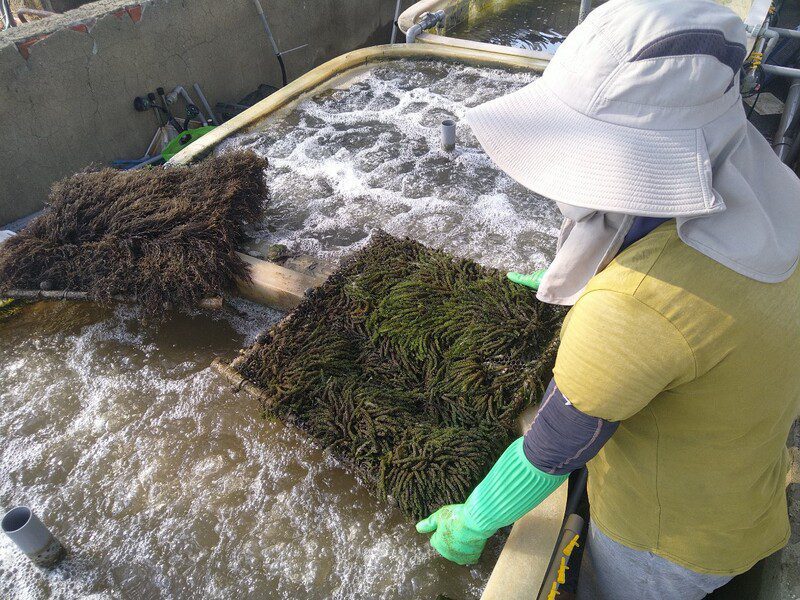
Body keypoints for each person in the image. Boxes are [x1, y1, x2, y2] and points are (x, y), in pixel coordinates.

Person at [414, 1, 800, 598]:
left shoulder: (633, 308)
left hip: (666, 546)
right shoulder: (779, 193)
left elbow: (553, 447)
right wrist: (574, 276)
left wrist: (474, 519)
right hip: (747, 487)